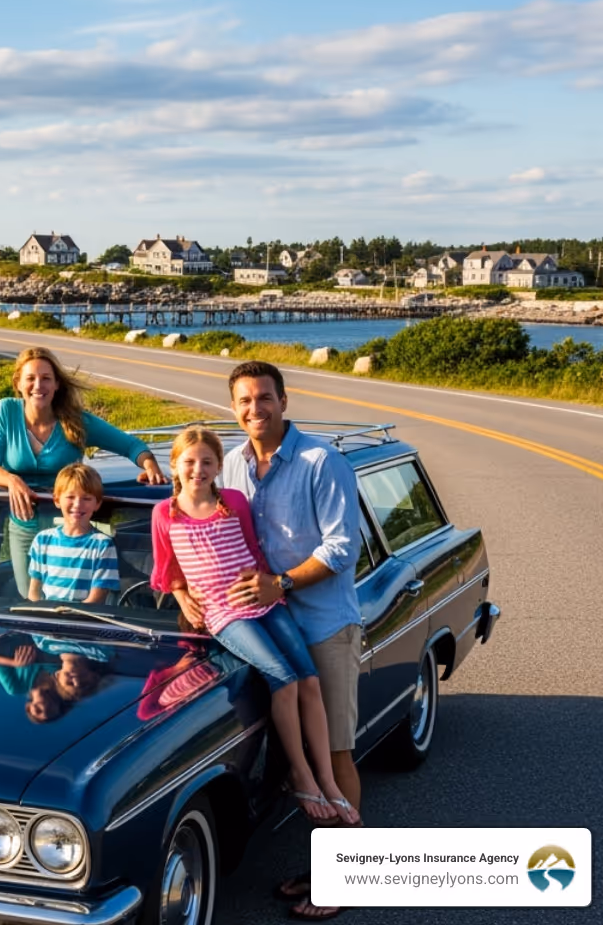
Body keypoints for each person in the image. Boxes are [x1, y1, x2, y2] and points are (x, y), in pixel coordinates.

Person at [150, 427, 358, 829]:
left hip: (263, 599)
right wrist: (181, 598)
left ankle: (327, 780)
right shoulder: (166, 513)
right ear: (174, 465)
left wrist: (272, 588)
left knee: (309, 680)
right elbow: (166, 569)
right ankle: (300, 773)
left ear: (218, 466)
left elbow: (253, 548)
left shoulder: (234, 501)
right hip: (222, 613)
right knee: (283, 676)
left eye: (207, 461)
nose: (199, 469)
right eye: (189, 462)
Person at [219, 361, 364, 922]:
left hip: (321, 625)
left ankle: (344, 880)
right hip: (261, 629)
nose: (254, 410)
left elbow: (340, 549)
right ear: (234, 407)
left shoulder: (320, 461)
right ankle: (319, 867)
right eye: (244, 402)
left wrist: (277, 583)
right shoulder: (230, 462)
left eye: (263, 399)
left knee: (333, 752)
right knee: (288, 757)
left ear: (283, 399)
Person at [0, 346, 166, 597]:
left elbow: (130, 445)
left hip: (70, 525)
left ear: (57, 384)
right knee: (31, 599)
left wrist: (149, 464)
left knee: (73, 601)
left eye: (46, 378)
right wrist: (12, 480)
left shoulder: (76, 421)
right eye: (31, 378)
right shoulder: (6, 412)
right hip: (23, 523)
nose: (38, 385)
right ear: (19, 383)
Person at [26, 464, 119, 604]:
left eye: (86, 499)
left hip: (83, 621)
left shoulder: (102, 545)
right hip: (46, 618)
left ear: (97, 503)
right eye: (70, 497)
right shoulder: (42, 540)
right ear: (57, 500)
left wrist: (68, 619)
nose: (77, 504)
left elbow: (96, 599)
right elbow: (34, 593)